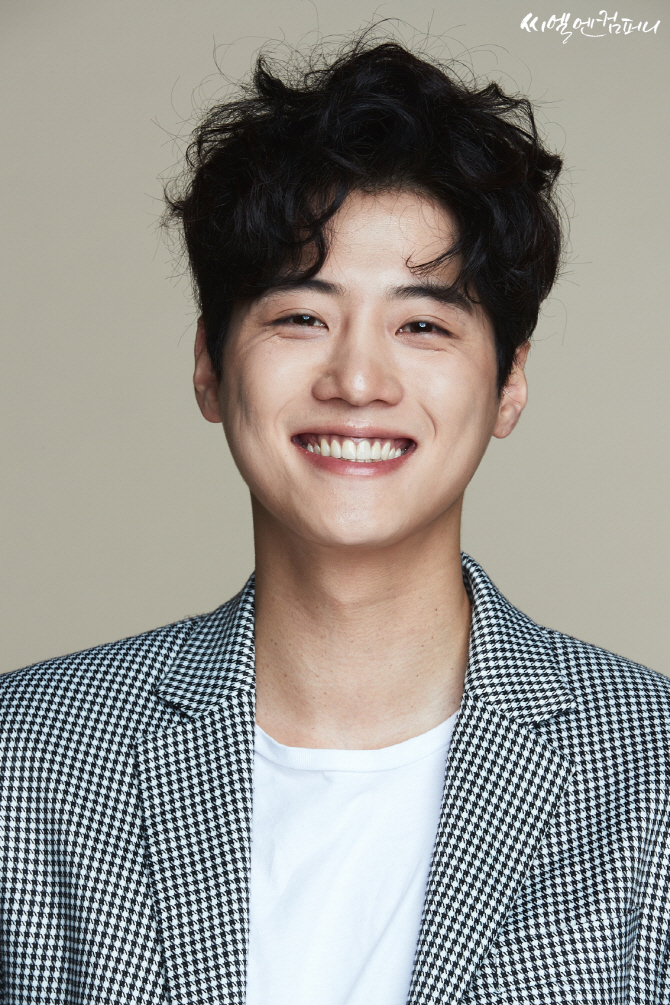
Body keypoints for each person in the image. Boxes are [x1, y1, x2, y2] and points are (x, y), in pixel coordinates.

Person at [1, 37, 668, 1005]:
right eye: (300, 317)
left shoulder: (649, 769)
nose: (357, 379)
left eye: (423, 324)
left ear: (509, 383)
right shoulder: (30, 757)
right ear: (209, 365)